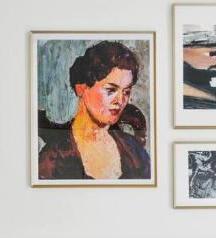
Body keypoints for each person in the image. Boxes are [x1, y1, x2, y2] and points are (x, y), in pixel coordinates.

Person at [38, 41, 151, 180]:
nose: (120, 100)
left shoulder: (134, 151)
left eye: (126, 92)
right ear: (82, 88)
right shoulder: (53, 159)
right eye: (110, 90)